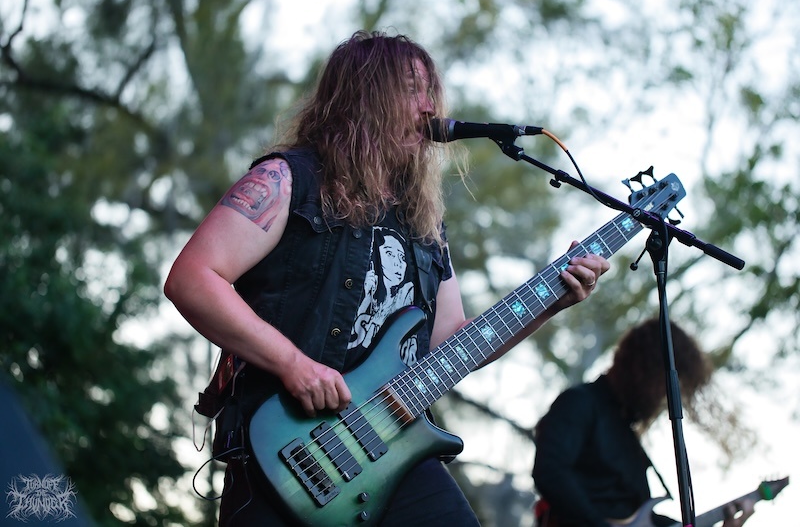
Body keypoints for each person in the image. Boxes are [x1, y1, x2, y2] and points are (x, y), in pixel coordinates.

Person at [164, 30, 609, 526]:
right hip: (289, 453)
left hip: (390, 449)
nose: (428, 107)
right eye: (412, 90)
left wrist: (552, 300)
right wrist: (293, 364)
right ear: (365, 96)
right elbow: (192, 277)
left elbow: (452, 342)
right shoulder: (290, 179)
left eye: (431, 92)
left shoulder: (423, 221)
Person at [532, 318, 755, 527]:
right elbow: (550, 471)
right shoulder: (580, 402)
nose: (664, 396)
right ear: (644, 369)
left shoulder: (627, 435)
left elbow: (642, 518)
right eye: (663, 383)